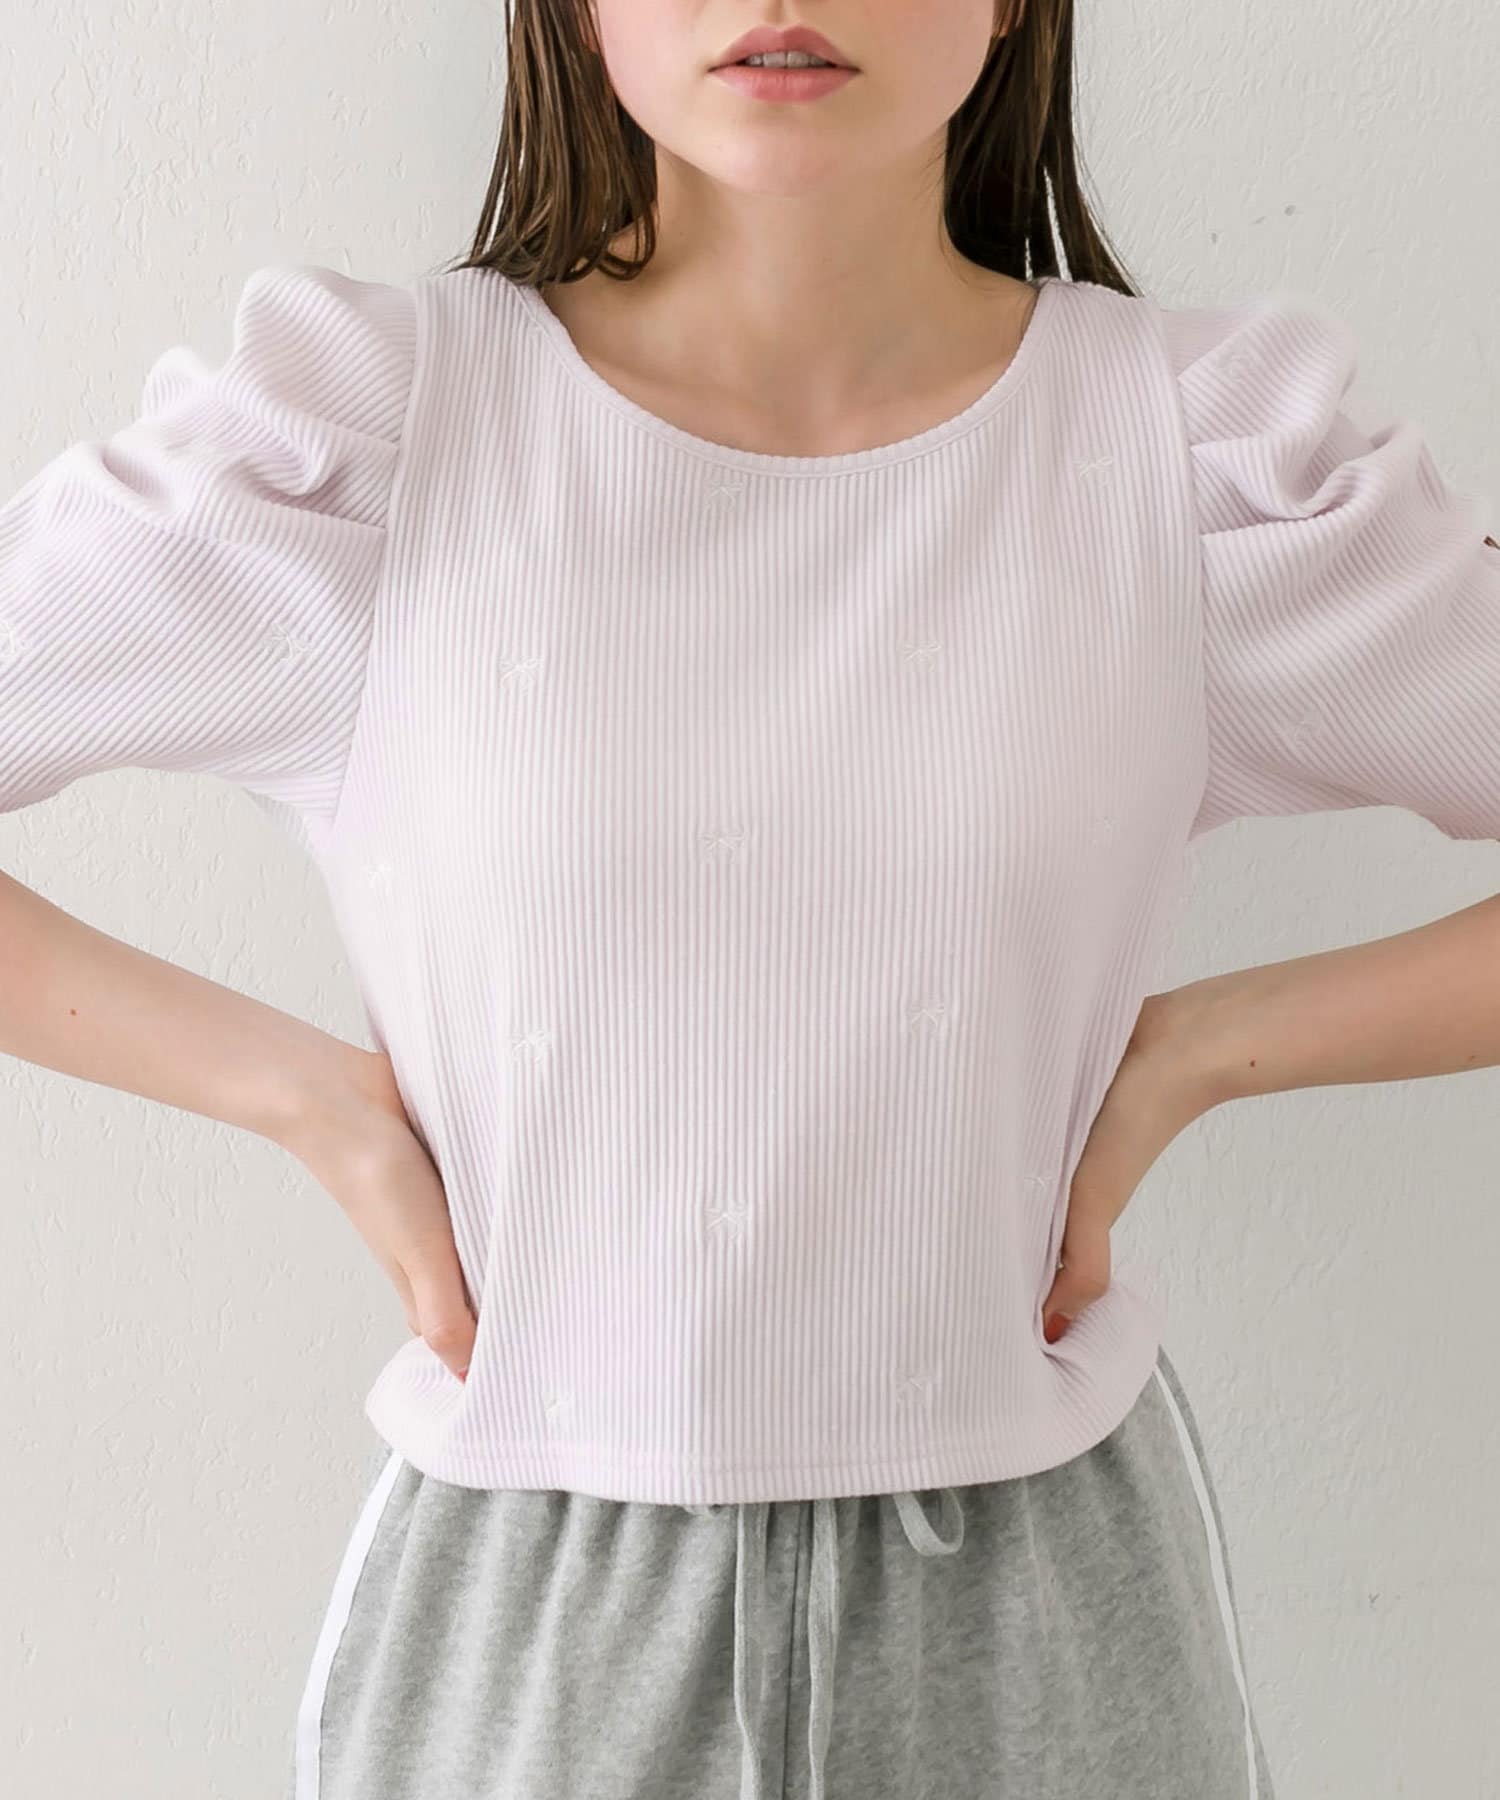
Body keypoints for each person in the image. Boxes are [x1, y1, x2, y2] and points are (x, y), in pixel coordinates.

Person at [3, 1, 1497, 1796]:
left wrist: (1200, 1050)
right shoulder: (369, 441)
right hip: (540, 1605)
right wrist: (309, 1101)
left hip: (1035, 1598)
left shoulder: (1196, 461)